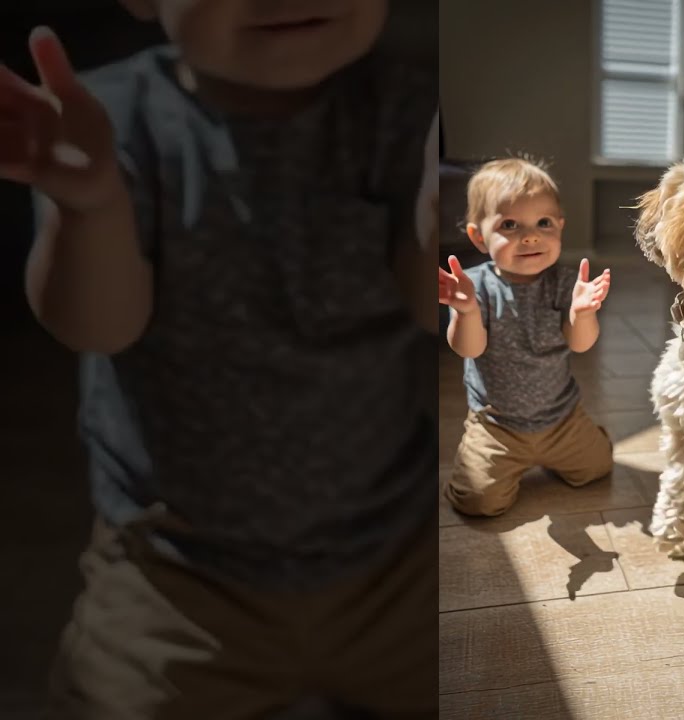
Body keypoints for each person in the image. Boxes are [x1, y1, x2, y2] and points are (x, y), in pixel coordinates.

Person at [0, 0, 438, 715]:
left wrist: (436, 223)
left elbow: (434, 309)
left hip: (396, 559)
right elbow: (98, 326)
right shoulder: (103, 120)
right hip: (174, 576)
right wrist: (89, 206)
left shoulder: (408, 113)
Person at [439, 157, 614, 517]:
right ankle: (480, 464)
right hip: (498, 426)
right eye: (510, 224)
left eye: (543, 223)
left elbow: (580, 343)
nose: (531, 235)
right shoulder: (475, 287)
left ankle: (590, 439)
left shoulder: (565, 284)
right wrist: (466, 311)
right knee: (477, 501)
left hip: (562, 420)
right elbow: (467, 348)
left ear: (560, 228)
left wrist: (583, 314)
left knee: (598, 469)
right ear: (478, 237)